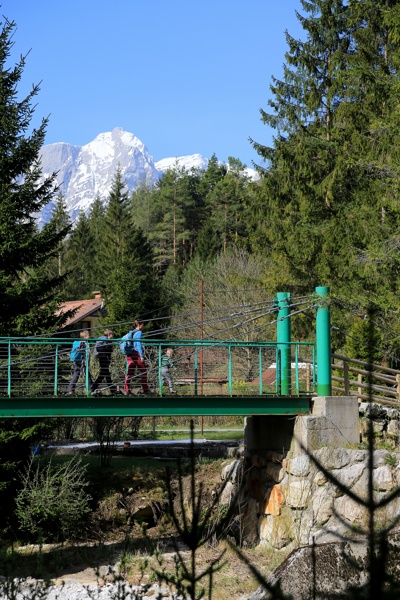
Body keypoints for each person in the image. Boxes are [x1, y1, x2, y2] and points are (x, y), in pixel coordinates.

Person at [123, 320, 151, 395]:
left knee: (130, 372)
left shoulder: (131, 332)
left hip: (130, 354)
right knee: (143, 371)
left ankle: (126, 389)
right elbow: (138, 344)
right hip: (136, 354)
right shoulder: (139, 332)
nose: (143, 327)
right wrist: (141, 355)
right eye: (142, 325)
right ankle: (145, 389)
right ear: (139, 325)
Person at [91, 329, 117, 395]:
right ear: (109, 335)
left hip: (101, 357)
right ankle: (94, 387)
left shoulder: (100, 339)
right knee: (104, 373)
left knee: (105, 373)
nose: (113, 336)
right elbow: (109, 350)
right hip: (105, 358)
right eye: (112, 335)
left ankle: (112, 388)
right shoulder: (107, 340)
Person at [67, 330, 92, 395]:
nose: (90, 336)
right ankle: (92, 389)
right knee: (87, 375)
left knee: (76, 374)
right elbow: (86, 354)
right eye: (89, 335)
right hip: (82, 362)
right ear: (86, 336)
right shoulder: (85, 343)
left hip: (76, 361)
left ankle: (70, 389)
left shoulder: (78, 343)